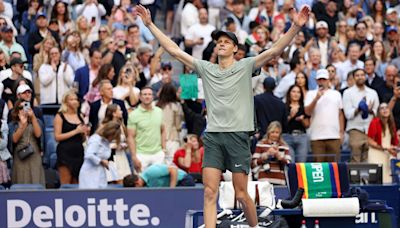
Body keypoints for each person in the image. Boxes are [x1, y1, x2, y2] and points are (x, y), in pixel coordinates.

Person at [136, 4, 310, 227]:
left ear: (236, 48)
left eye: (226, 42)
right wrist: (150, 25)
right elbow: (175, 51)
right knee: (209, 192)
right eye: (218, 42)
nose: (221, 44)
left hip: (238, 137)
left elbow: (275, 51)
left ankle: (254, 226)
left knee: (241, 195)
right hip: (214, 137)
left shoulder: (246, 65)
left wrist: (295, 27)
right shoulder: (206, 68)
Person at [305, 69, 344, 162]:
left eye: (324, 79)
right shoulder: (310, 94)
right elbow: (307, 112)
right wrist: (316, 99)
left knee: (334, 167)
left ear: (328, 80)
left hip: (334, 136)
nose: (322, 82)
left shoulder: (336, 94)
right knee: (319, 167)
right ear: (316, 80)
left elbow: (340, 114)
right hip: (316, 136)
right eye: (320, 80)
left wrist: (341, 132)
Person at [342, 68, 380, 163]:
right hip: (355, 129)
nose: (360, 77)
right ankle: (355, 178)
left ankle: (367, 178)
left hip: (370, 129)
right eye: (357, 75)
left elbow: (378, 113)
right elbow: (348, 114)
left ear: (365, 77)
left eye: (362, 75)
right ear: (354, 78)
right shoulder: (348, 93)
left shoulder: (372, 92)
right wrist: (358, 109)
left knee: (370, 158)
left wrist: (370, 110)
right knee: (356, 158)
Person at [54, 91, 88, 184]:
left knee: (77, 182)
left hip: (78, 152)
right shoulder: (60, 116)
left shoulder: (80, 116)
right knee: (66, 182)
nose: (75, 101)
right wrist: (75, 131)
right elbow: (57, 137)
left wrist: (84, 133)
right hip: (65, 152)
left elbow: (83, 139)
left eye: (76, 99)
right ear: (66, 102)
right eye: (71, 99)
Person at [101, 104, 141, 183]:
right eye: (119, 110)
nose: (121, 112)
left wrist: (124, 145)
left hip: (121, 156)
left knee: (123, 179)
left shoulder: (121, 125)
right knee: (112, 180)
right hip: (110, 157)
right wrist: (114, 146)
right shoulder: (104, 126)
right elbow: (101, 142)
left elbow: (125, 139)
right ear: (113, 113)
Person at [128, 86, 166, 170]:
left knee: (158, 182)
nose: (147, 96)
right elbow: (131, 137)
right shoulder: (133, 114)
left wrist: (163, 149)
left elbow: (163, 130)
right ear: (140, 97)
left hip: (158, 154)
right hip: (141, 154)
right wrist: (134, 156)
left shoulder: (159, 111)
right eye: (145, 94)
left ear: (152, 97)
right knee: (140, 182)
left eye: (149, 94)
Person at [9, 99, 45, 185]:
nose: (23, 110)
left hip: (34, 155)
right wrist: (23, 124)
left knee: (36, 179)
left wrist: (33, 118)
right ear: (17, 111)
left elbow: (38, 134)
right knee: (20, 180)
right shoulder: (12, 124)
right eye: (20, 108)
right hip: (20, 155)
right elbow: (14, 139)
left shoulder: (37, 121)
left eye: (25, 107)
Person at [79, 121, 121, 189]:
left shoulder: (106, 142)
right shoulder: (96, 139)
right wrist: (101, 161)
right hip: (89, 173)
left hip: (100, 172)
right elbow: (88, 155)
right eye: (113, 136)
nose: (113, 138)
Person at [367, 103, 399, 183]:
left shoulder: (391, 124)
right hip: (376, 153)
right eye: (382, 108)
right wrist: (385, 148)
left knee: (388, 178)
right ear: (379, 112)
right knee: (377, 178)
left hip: (387, 153)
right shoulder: (374, 122)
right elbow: (370, 141)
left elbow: (394, 142)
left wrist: (394, 148)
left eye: (387, 107)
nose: (385, 109)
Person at [156, 83, 184, 164]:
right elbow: (178, 125)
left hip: (158, 138)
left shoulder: (156, 105)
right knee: (172, 163)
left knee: (160, 163)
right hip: (173, 137)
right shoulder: (176, 106)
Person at [283, 85, 310, 162]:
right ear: (289, 93)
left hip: (302, 136)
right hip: (287, 136)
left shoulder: (304, 107)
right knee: (290, 163)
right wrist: (291, 116)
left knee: (301, 164)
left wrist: (302, 120)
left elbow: (307, 125)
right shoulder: (284, 107)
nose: (296, 94)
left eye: (298, 92)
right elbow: (281, 124)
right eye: (294, 91)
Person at [123, 163, 195, 188]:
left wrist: (172, 189)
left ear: (137, 183)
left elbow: (173, 169)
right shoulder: (146, 185)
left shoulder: (151, 172)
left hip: (184, 180)